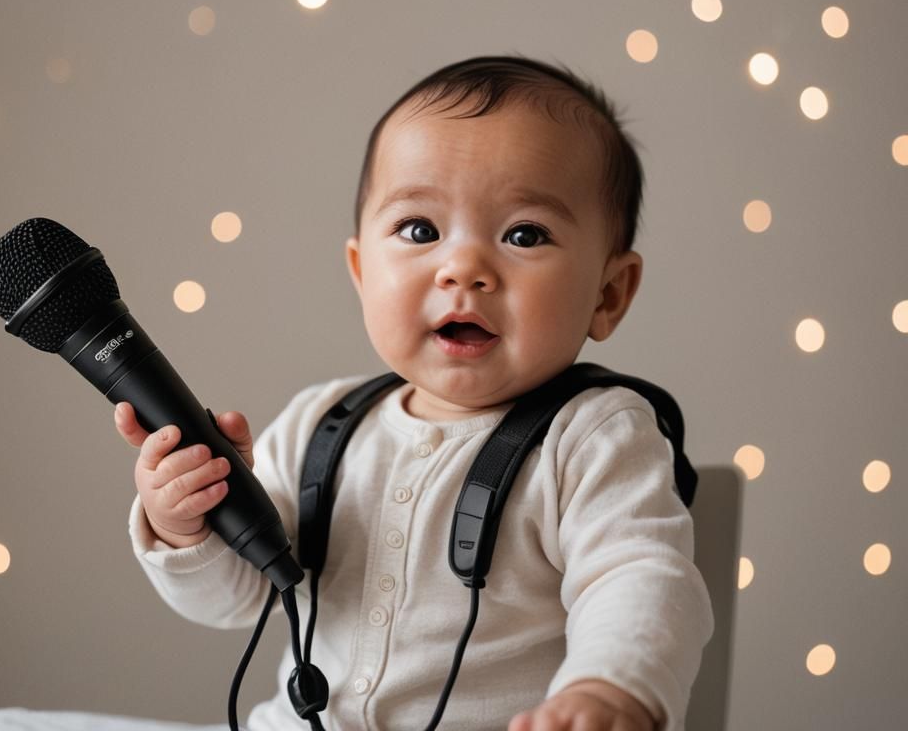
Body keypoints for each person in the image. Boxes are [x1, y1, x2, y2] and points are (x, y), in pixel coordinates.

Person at [114, 54, 714, 731]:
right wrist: (185, 523)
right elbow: (236, 600)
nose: (464, 268)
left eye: (524, 234)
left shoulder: (595, 437)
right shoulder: (321, 424)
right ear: (363, 270)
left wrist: (608, 692)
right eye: (421, 230)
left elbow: (638, 581)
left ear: (608, 294)